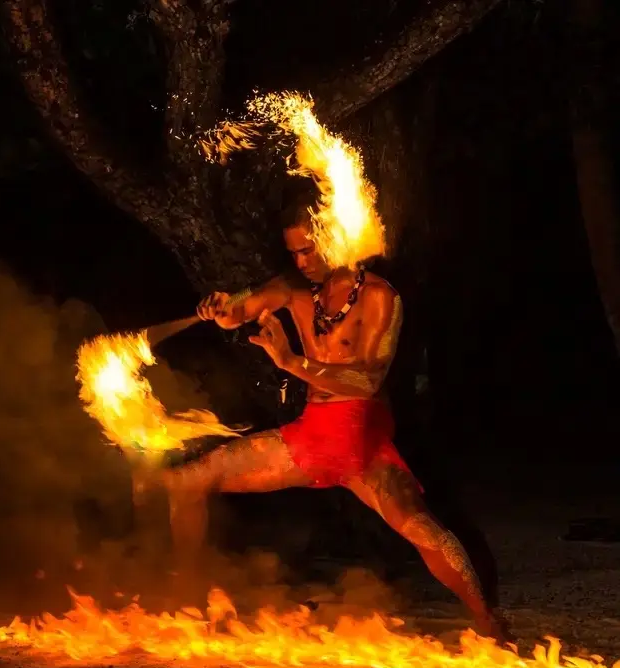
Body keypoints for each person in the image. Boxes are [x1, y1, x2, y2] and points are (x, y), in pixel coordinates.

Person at [163, 186, 514, 644]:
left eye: (308, 249)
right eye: (294, 252)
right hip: (309, 438)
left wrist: (291, 362)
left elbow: (366, 381)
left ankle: (489, 622)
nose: (302, 261)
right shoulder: (294, 288)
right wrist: (221, 309)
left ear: (333, 234)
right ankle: (184, 599)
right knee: (187, 481)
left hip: (360, 443)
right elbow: (243, 308)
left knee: (422, 527)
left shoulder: (380, 297)